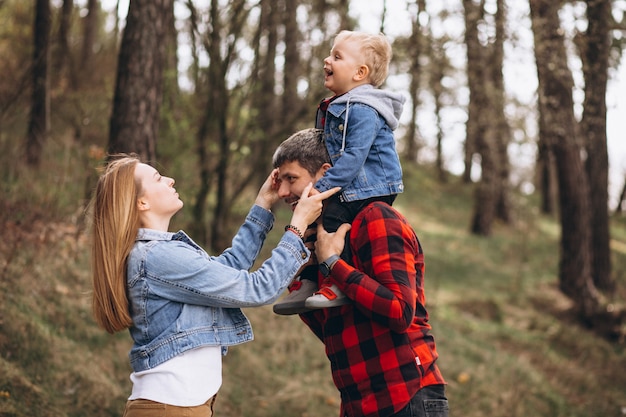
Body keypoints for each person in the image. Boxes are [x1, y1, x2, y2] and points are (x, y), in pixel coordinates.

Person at [90, 154, 338, 417]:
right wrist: (297, 226)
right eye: (158, 178)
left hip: (182, 407)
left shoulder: (160, 253)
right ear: (141, 202)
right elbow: (258, 288)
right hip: (171, 409)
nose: (170, 179)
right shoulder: (156, 257)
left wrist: (263, 204)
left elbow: (228, 270)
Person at [272, 129, 448, 417]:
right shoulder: (322, 238)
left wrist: (333, 264)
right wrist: (308, 270)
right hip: (358, 402)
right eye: (280, 182)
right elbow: (335, 332)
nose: (282, 192)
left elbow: (400, 311)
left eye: (291, 179)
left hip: (406, 397)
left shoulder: (376, 217)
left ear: (324, 174)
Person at [278, 30, 406, 311]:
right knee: (313, 220)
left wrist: (320, 189)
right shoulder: (338, 105)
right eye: (329, 53)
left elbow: (353, 158)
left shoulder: (363, 109)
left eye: (337, 56)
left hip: (371, 185)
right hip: (351, 183)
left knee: (332, 217)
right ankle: (310, 278)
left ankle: (337, 282)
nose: (327, 60)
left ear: (360, 72)